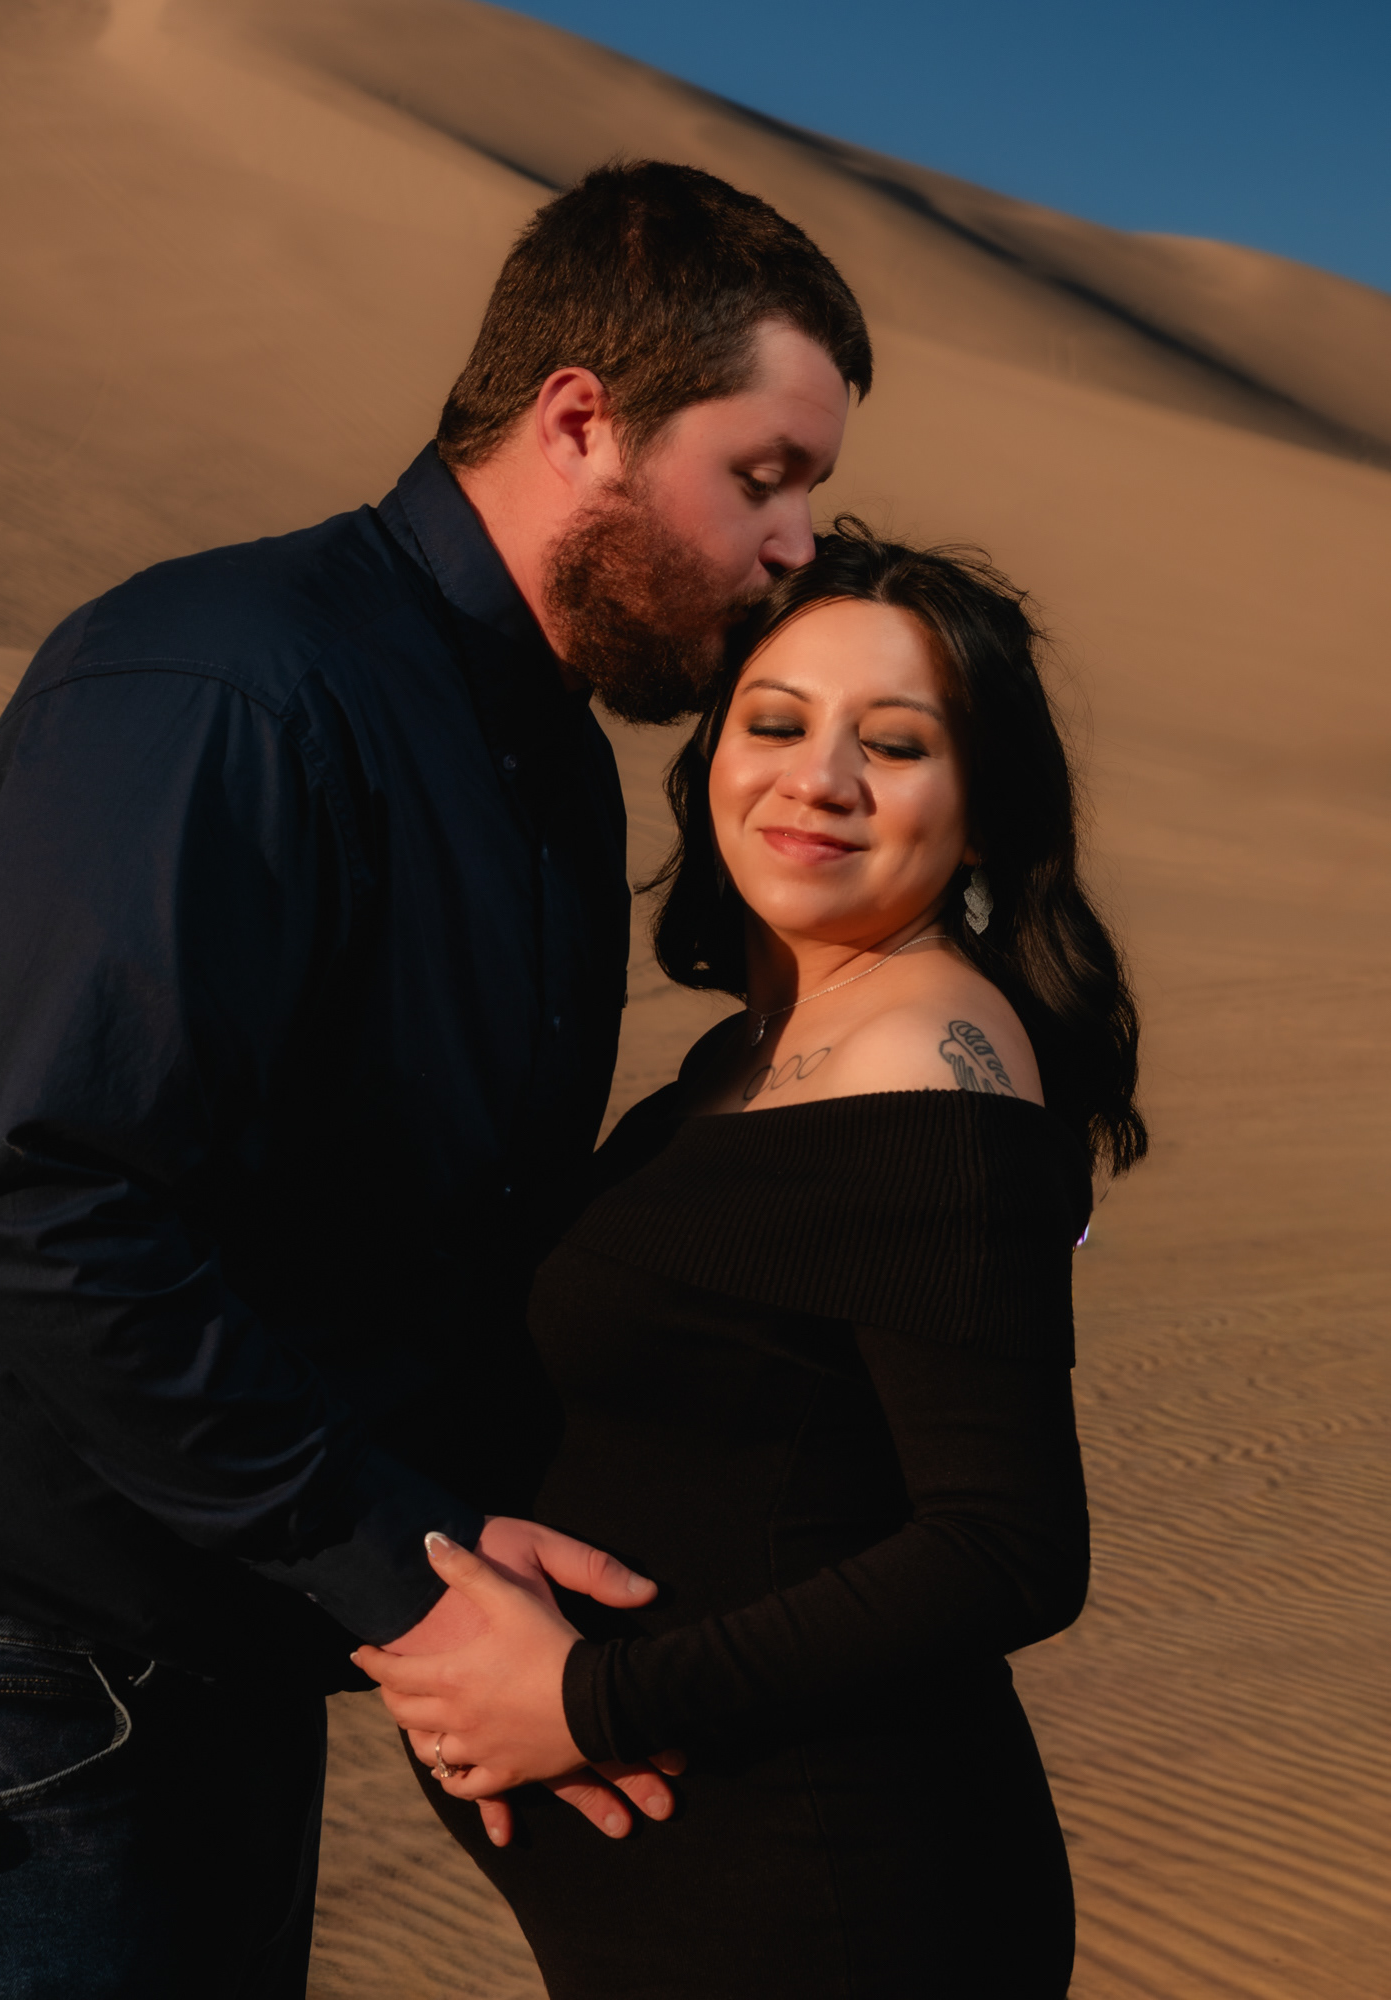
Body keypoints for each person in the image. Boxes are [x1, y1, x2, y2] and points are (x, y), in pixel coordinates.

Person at [0, 163, 870, 1996]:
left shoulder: (540, 763)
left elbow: (429, 1241)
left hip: (229, 1647)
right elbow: (34, 1193)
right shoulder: (232, 681)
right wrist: (405, 1578)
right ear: (579, 421)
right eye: (762, 474)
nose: (794, 541)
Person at [357, 519, 1148, 1998]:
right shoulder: (758, 1052)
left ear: (982, 813)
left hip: (830, 1897)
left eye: (893, 745)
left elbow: (1006, 1546)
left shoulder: (932, 1064)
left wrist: (593, 1701)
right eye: (775, 723)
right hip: (711, 1900)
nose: (818, 778)